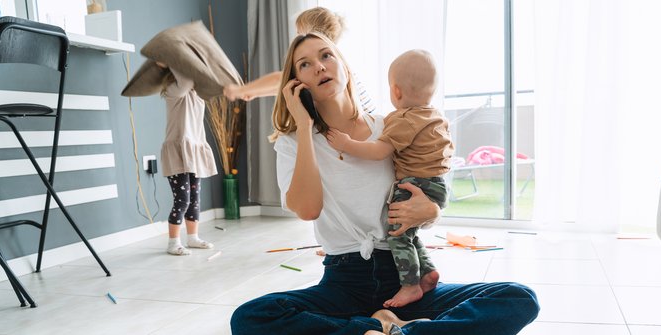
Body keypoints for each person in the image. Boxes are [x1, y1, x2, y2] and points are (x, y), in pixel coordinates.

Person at [229, 32, 539, 335]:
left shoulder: (391, 126)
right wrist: (305, 125)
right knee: (251, 317)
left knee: (517, 298)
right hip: (344, 281)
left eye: (326, 55)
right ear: (296, 84)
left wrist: (430, 211)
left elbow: (428, 189)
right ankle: (375, 327)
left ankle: (401, 331)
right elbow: (308, 209)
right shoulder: (293, 141)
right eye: (305, 64)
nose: (320, 66)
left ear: (345, 68)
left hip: (404, 278)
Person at [326, 49, 453, 308]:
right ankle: (427, 272)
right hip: (438, 185)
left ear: (396, 91)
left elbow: (378, 151)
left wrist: (347, 143)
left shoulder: (404, 119)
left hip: (413, 183)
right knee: (410, 233)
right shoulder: (435, 115)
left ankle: (409, 286)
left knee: (396, 235)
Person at [223, 6, 375, 114]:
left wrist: (241, 90)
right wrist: (255, 93)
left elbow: (279, 79)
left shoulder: (336, 68)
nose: (297, 38)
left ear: (311, 33)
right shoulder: (332, 65)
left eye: (299, 33)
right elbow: (289, 84)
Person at [157, 62, 217, 256]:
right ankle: (173, 242)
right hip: (177, 151)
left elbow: (206, 82)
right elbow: (185, 81)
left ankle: (193, 238)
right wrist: (174, 61)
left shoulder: (196, 94)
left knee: (195, 199)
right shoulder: (172, 91)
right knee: (182, 199)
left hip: (193, 149)